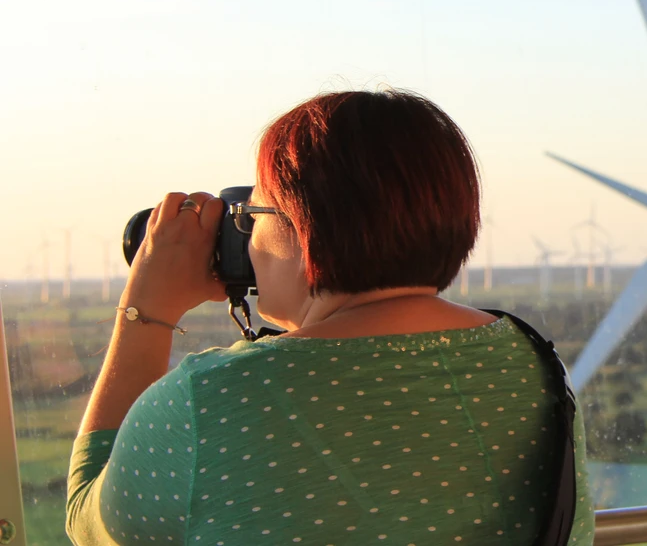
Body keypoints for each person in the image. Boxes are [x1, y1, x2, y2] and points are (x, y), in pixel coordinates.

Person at [66, 90, 593, 544]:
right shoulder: (535, 366)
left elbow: (90, 519)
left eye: (253, 215)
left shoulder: (213, 401)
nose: (245, 238)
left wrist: (147, 310)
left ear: (301, 228)